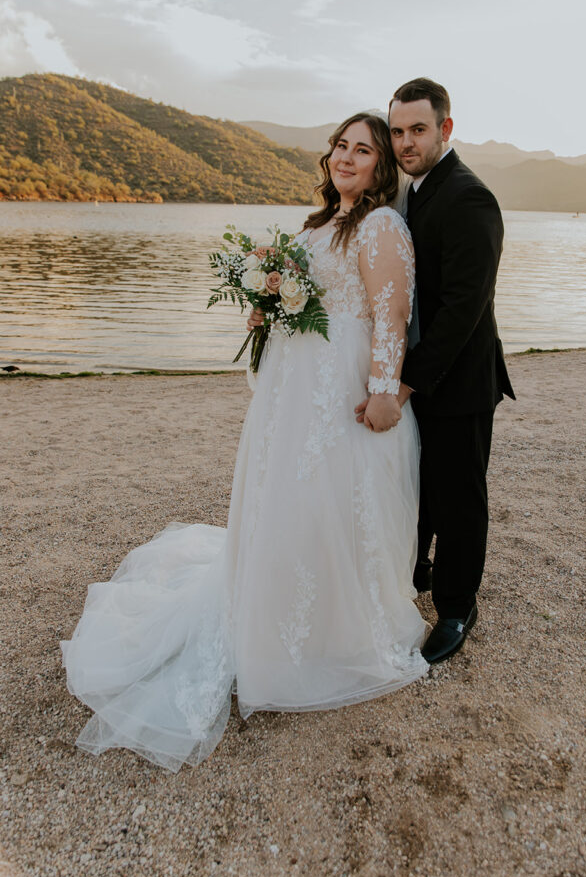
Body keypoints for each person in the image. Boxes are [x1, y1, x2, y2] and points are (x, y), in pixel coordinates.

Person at [61, 113, 429, 772]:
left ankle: (333, 631)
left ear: (381, 166)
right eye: (340, 146)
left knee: (330, 501)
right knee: (284, 500)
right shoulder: (317, 224)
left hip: (339, 387)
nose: (346, 158)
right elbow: (302, 296)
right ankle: (271, 615)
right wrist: (269, 303)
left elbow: (389, 314)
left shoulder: (380, 227)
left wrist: (383, 390)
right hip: (292, 390)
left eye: (363, 150)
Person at [357, 78, 515, 664]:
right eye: (396, 132)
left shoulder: (471, 198)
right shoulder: (409, 192)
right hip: (417, 372)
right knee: (415, 484)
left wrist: (401, 385)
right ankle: (417, 572)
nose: (405, 142)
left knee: (460, 497)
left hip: (460, 381)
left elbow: (459, 315)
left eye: (417, 130)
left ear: (446, 129)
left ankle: (456, 606)